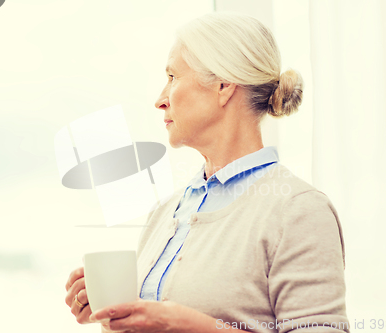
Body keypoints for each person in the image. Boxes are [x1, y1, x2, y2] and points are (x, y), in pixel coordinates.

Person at [65, 11, 350, 333]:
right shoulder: (165, 212)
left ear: (224, 85)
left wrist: (191, 326)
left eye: (172, 77)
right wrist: (117, 313)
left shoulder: (298, 210)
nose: (160, 100)